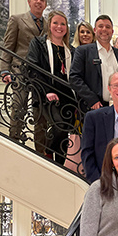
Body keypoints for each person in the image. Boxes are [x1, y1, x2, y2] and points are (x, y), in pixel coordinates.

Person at [0, 0, 47, 151]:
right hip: (21, 70)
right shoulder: (17, 19)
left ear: (45, 4)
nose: (39, 1)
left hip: (41, 74)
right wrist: (4, 70)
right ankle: (14, 144)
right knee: (18, 107)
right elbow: (8, 47)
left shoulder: (49, 24)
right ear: (29, 2)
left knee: (40, 111)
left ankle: (40, 151)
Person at [26, 10, 75, 164]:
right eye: (55, 23)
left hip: (68, 97)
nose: (59, 27)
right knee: (59, 127)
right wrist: (47, 91)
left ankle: (61, 167)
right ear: (49, 25)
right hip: (46, 95)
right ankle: (47, 153)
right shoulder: (38, 44)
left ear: (66, 28)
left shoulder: (71, 50)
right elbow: (32, 69)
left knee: (64, 134)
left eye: (63, 24)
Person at [70, 15, 118, 113]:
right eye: (100, 26)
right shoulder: (83, 51)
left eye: (108, 27)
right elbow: (74, 78)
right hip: (93, 107)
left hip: (117, 108)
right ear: (95, 30)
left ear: (112, 31)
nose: (104, 29)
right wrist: (92, 99)